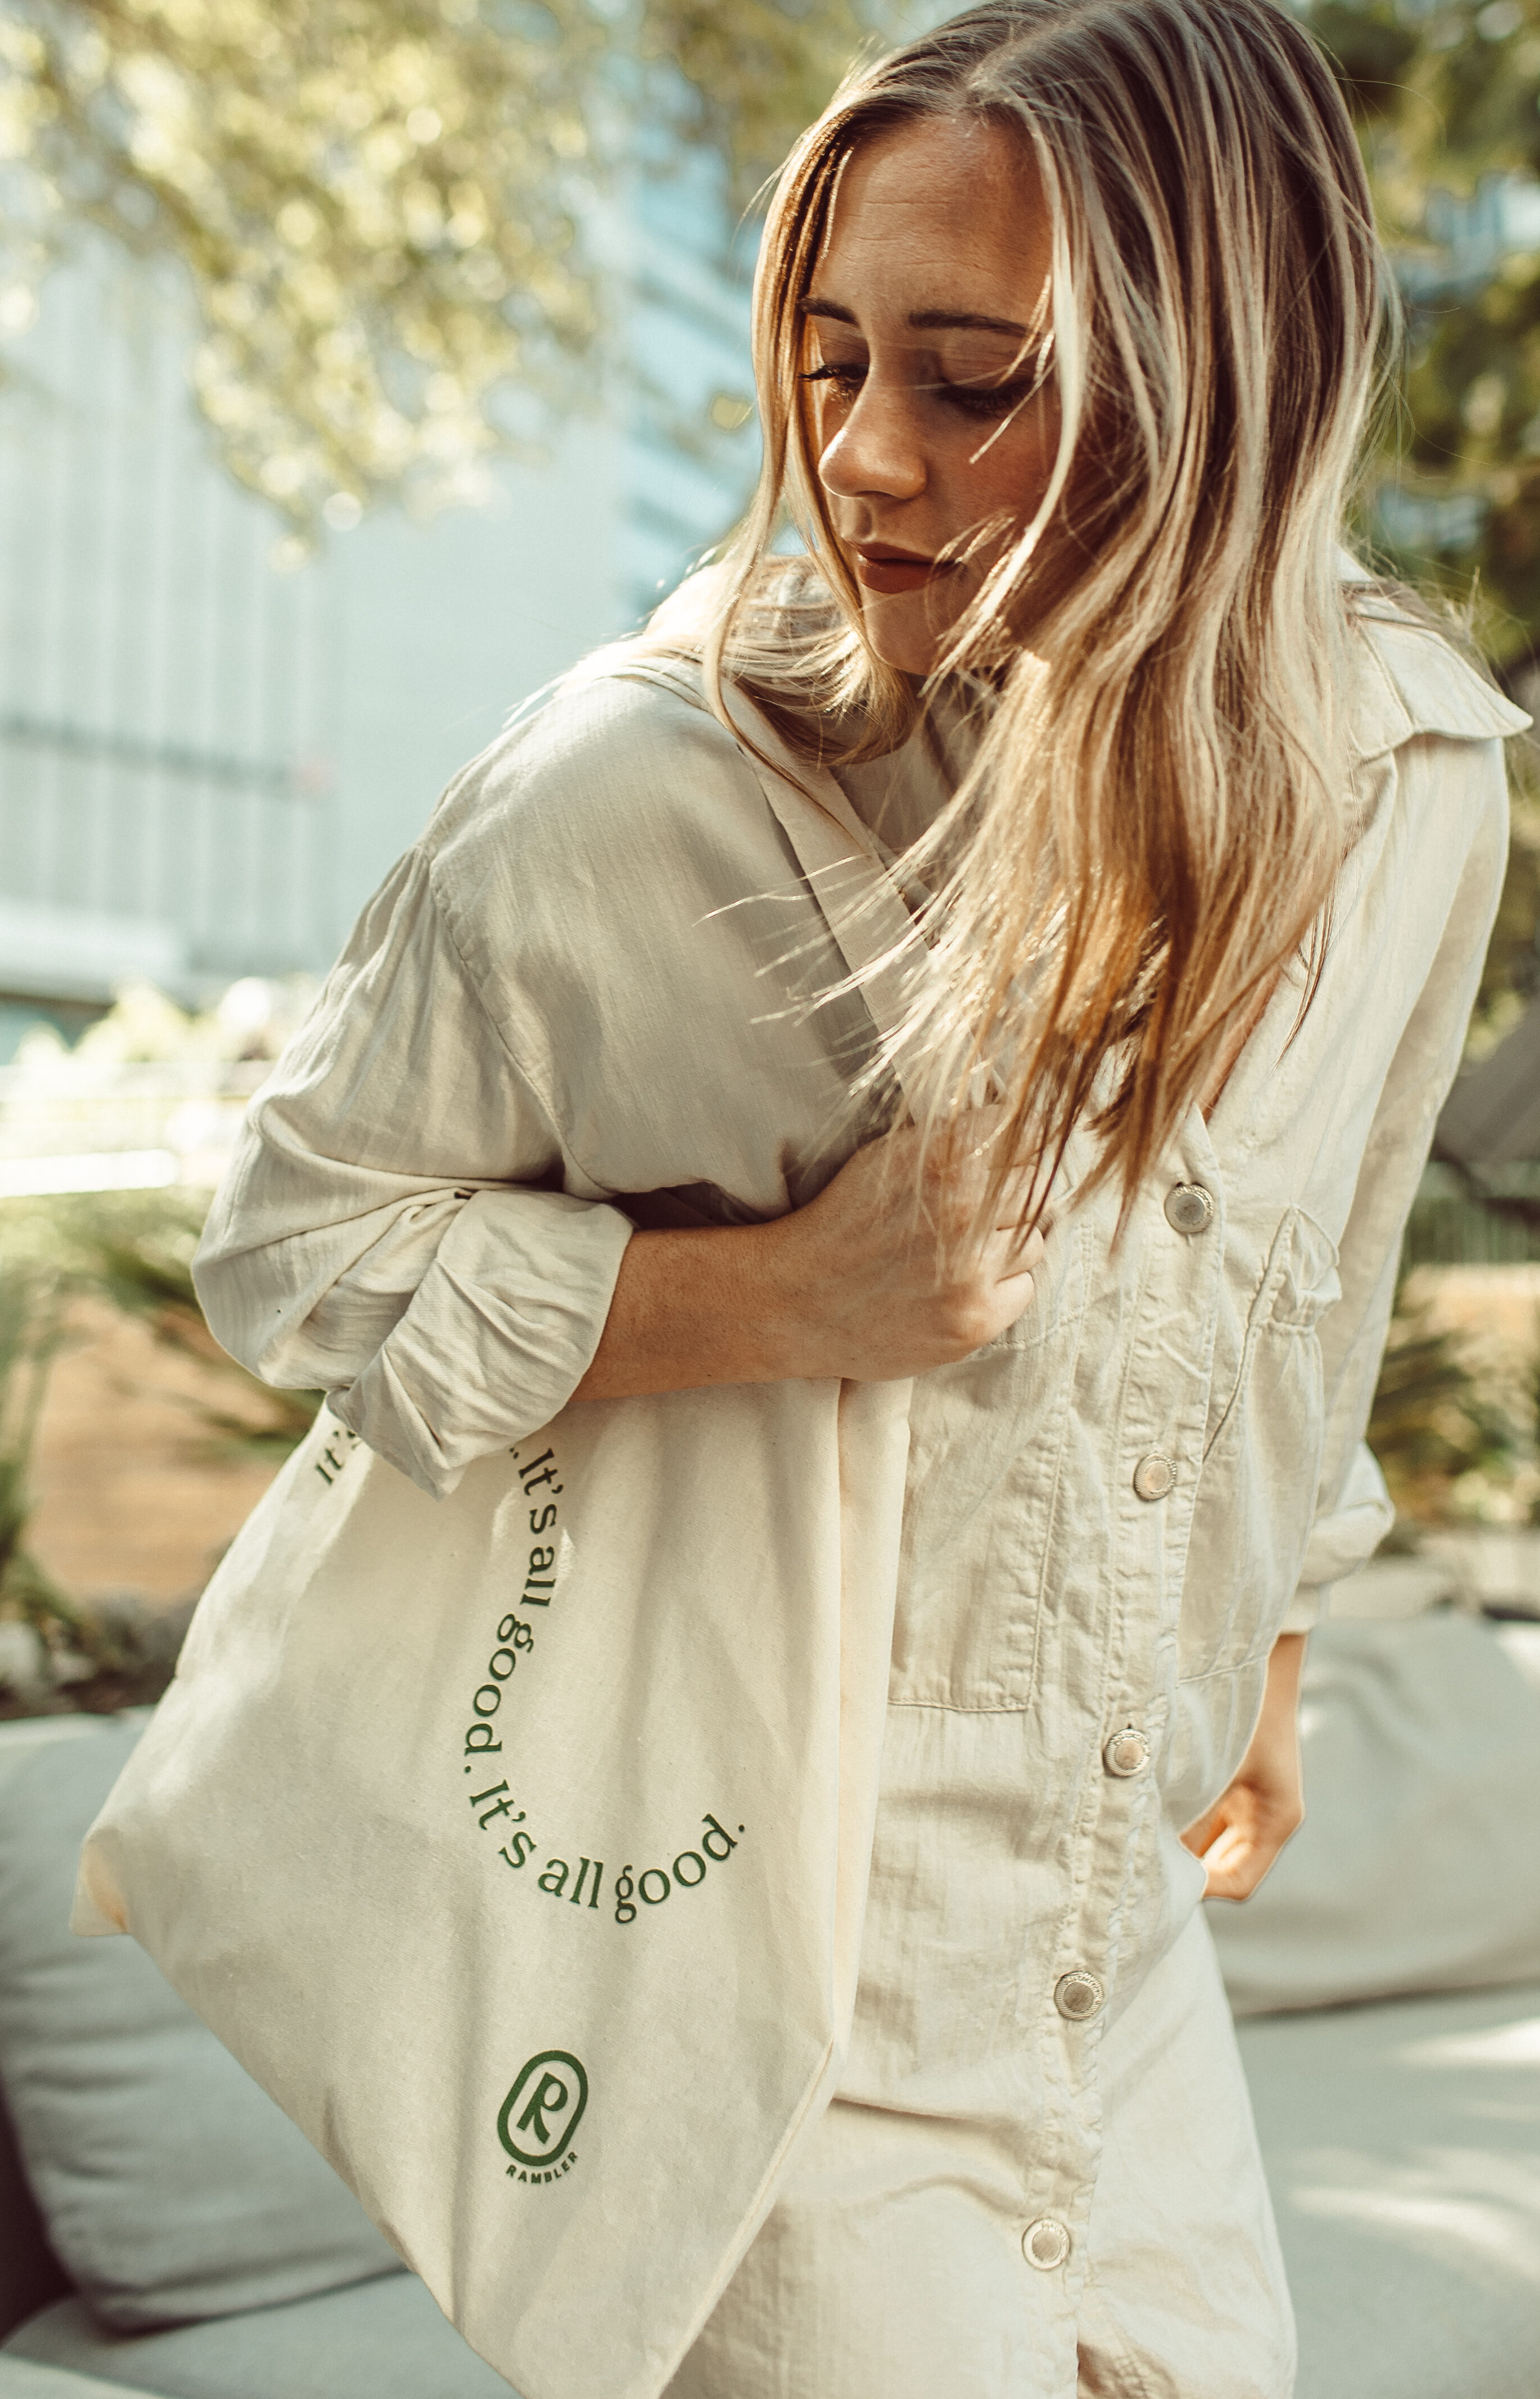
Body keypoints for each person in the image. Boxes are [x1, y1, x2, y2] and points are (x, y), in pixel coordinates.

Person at [193, 2, 1528, 2391]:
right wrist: (777, 1292)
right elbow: (291, 1256)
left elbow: (1311, 1271)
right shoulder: (633, 797)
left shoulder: (1411, 770)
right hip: (772, 1960)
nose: (861, 459)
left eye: (972, 377)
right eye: (826, 360)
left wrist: (1278, 1635)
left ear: (1230, 385)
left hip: (1116, 1950)